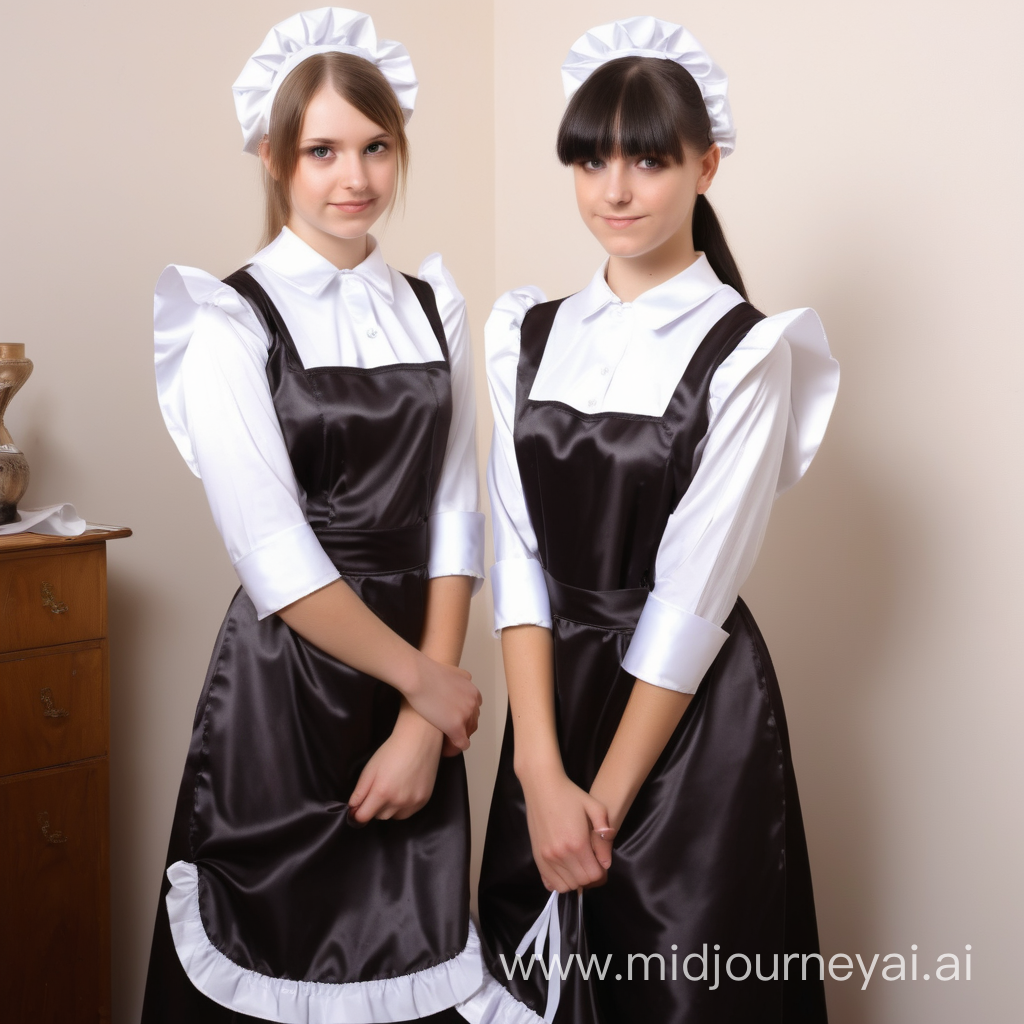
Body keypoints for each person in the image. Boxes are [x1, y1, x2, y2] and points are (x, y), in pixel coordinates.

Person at [461, 17, 839, 1024]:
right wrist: (539, 772)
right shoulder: (525, 334)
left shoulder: (750, 354)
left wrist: (601, 800)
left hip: (686, 729)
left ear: (706, 164)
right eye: (589, 159)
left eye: (647, 159)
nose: (613, 189)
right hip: (548, 711)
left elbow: (688, 600)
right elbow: (521, 559)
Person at [142, 9, 485, 1022]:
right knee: (272, 964)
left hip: (416, 681)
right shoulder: (224, 318)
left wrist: (423, 723)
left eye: (377, 146)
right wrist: (429, 685)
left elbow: (456, 509)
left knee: (413, 969)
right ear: (271, 155)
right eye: (322, 149)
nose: (356, 176)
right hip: (288, 689)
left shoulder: (434, 305)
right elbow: (272, 548)